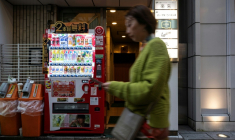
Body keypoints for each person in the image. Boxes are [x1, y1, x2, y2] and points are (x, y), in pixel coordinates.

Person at [102, 5, 171, 140]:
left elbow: (148, 90)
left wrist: (116, 87)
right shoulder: (146, 47)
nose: (127, 31)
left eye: (130, 24)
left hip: (151, 124)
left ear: (144, 23)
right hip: (144, 121)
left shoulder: (156, 46)